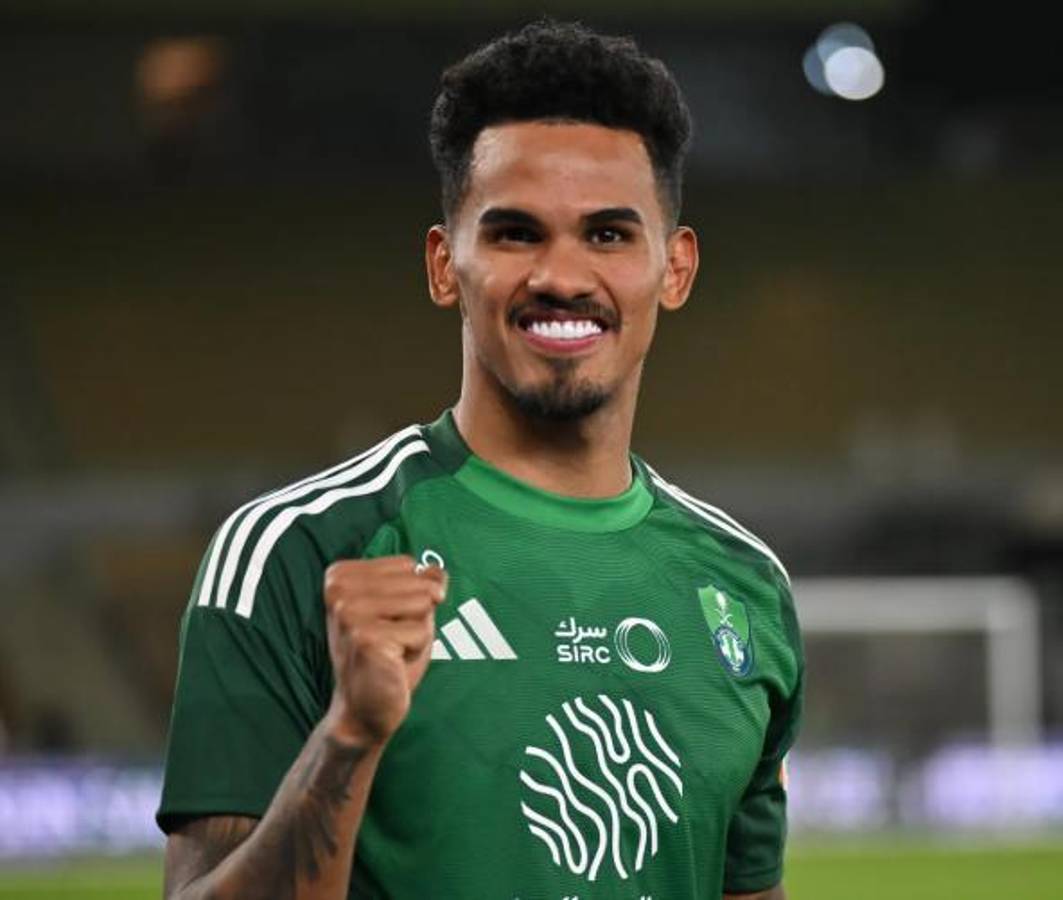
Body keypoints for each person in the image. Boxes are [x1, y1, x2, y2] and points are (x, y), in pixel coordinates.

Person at [157, 19, 803, 900]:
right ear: (443, 264)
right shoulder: (297, 552)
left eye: (608, 235)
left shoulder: (745, 588)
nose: (561, 276)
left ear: (675, 268)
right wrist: (347, 738)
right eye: (515, 234)